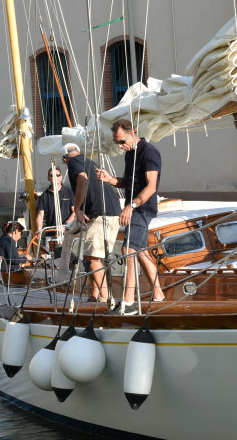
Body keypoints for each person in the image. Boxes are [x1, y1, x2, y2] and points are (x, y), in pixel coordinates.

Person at [99, 119, 165, 314]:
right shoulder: (130, 154)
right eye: (117, 143)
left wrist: (131, 206)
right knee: (141, 252)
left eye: (122, 141)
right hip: (134, 208)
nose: (120, 146)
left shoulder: (149, 152)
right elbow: (127, 182)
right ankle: (159, 295)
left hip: (142, 209)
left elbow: (151, 187)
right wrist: (110, 179)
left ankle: (129, 303)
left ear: (133, 132)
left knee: (128, 249)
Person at [64, 142, 122, 306]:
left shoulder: (73, 163)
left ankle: (106, 299)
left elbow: (83, 180)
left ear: (65, 159)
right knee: (95, 257)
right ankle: (95, 295)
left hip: (101, 214)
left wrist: (76, 208)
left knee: (91, 257)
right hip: (113, 212)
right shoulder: (90, 162)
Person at [33, 163, 76, 259]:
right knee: (52, 260)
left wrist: (65, 225)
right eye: (52, 175)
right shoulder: (44, 195)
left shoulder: (69, 192)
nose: (55, 177)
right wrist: (39, 229)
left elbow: (75, 212)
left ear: (61, 177)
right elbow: (40, 215)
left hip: (67, 233)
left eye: (57, 175)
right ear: (48, 178)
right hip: (51, 234)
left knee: (69, 259)